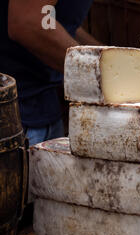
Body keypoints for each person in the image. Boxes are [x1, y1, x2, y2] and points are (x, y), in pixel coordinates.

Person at [0, 0, 100, 146]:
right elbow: (27, 22)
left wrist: (106, 55)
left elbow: (57, 21)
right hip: (16, 117)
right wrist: (100, 72)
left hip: (45, 107)